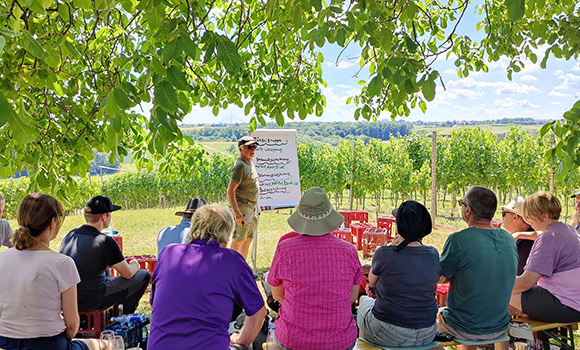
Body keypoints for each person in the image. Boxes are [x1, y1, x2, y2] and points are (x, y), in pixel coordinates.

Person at [149, 204, 267, 350]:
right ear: (227, 234)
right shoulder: (231, 261)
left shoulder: (168, 253)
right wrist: (240, 340)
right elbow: (258, 313)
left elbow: (155, 304)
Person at [0, 193, 105, 350]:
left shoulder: (3, 258)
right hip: (48, 344)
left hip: (5, 343)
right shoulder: (62, 264)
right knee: (103, 344)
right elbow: (72, 324)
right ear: (53, 222)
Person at [267, 186, 363, 350]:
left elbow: (277, 295)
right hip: (340, 341)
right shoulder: (349, 251)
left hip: (294, 339)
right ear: (328, 218)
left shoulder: (285, 249)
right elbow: (351, 297)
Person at [439, 186, 517, 350]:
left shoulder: (458, 240)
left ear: (468, 210)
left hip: (465, 328)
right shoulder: (508, 239)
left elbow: (439, 277)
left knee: (432, 322)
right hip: (500, 325)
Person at [357, 201, 440, 348]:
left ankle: (364, 345)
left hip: (389, 332)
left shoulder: (384, 253)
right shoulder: (433, 254)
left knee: (364, 301)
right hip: (427, 331)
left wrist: (391, 247)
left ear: (398, 226)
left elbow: (371, 282)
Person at [59, 195, 150, 314]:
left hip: (68, 297)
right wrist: (135, 265)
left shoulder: (70, 235)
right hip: (92, 299)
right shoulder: (104, 241)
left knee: (106, 271)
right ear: (104, 216)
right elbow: (127, 273)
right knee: (144, 275)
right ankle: (124, 316)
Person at [510, 192, 580, 323]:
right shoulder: (566, 229)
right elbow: (540, 234)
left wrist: (495, 283)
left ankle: (499, 336)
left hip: (567, 305)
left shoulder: (548, 238)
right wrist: (521, 235)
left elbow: (525, 283)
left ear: (544, 216)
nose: (529, 222)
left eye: (530, 218)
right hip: (574, 301)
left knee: (499, 293)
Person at [227, 135, 260, 259]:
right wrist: (237, 213)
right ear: (240, 149)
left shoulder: (249, 163)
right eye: (249, 147)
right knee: (239, 239)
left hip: (251, 208)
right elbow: (230, 190)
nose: (252, 149)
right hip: (243, 208)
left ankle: (242, 267)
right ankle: (230, 269)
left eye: (254, 146)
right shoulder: (240, 165)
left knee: (248, 238)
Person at [501, 196, 537, 275]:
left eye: (504, 214)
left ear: (515, 217)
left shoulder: (523, 245)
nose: (502, 218)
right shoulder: (527, 237)